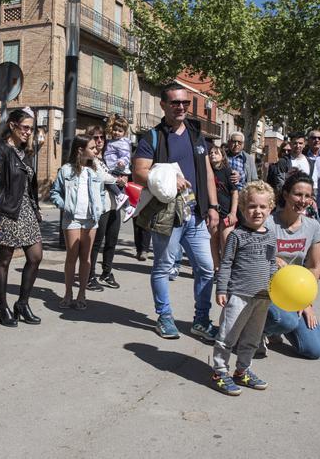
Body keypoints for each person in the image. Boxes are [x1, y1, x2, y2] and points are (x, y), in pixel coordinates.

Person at [133, 83, 220, 341]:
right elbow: (139, 172)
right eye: (175, 103)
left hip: (196, 215)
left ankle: (201, 320)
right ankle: (165, 318)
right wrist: (170, 177)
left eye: (184, 103)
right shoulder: (153, 137)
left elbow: (207, 173)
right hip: (168, 215)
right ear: (164, 105)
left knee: (205, 268)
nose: (181, 107)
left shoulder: (196, 134)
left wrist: (213, 207)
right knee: (162, 267)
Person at [210, 181, 277, 396]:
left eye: (262, 207)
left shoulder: (271, 235)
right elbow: (225, 263)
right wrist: (221, 289)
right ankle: (220, 371)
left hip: (263, 296)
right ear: (243, 209)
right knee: (227, 335)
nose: (257, 211)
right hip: (239, 294)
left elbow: (272, 264)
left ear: (270, 208)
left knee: (253, 337)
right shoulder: (236, 236)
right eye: (252, 206)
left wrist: (276, 288)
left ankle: (243, 370)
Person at [0, 109, 43, 327]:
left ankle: (22, 303)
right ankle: (2, 307)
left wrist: (36, 207)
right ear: (12, 125)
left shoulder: (25, 151)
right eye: (25, 127)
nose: (29, 132)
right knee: (4, 260)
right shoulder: (0, 150)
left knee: (35, 256)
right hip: (7, 212)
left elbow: (29, 184)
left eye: (31, 128)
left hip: (26, 210)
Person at [261, 171, 320, 360]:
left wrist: (306, 302)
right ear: (285, 194)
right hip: (264, 291)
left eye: (308, 196)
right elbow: (252, 259)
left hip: (293, 295)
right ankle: (252, 331)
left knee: (314, 350)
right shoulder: (268, 223)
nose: (303, 200)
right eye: (298, 194)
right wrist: (273, 260)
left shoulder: (313, 226)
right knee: (286, 320)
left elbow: (314, 267)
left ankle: (273, 328)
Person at [50, 134, 115, 310]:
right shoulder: (66, 170)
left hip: (90, 220)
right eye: (92, 148)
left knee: (86, 258)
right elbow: (55, 192)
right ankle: (68, 293)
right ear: (81, 150)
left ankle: (81, 294)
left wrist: (100, 209)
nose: (96, 150)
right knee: (72, 256)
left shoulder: (95, 170)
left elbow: (102, 193)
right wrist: (65, 206)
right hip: (72, 219)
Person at [87, 126, 129, 291]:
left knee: (111, 241)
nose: (99, 141)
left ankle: (106, 272)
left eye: (102, 138)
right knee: (96, 243)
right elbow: (101, 177)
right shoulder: (89, 158)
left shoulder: (107, 157)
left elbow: (121, 169)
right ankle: (89, 276)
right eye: (96, 138)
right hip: (100, 207)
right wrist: (117, 179)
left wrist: (123, 177)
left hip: (114, 205)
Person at [98, 115, 137, 220]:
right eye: (115, 130)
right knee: (118, 186)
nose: (116, 132)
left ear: (124, 133)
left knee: (109, 181)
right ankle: (128, 208)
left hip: (117, 167)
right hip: (113, 166)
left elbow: (126, 155)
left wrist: (122, 162)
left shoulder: (122, 143)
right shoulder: (112, 141)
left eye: (120, 131)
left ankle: (120, 196)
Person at [209, 144, 239, 269]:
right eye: (211, 153)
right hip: (213, 212)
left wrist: (233, 212)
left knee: (226, 241)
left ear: (222, 157)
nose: (213, 155)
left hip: (227, 213)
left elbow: (235, 193)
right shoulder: (207, 171)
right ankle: (217, 268)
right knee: (213, 241)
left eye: (216, 153)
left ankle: (227, 269)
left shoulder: (228, 171)